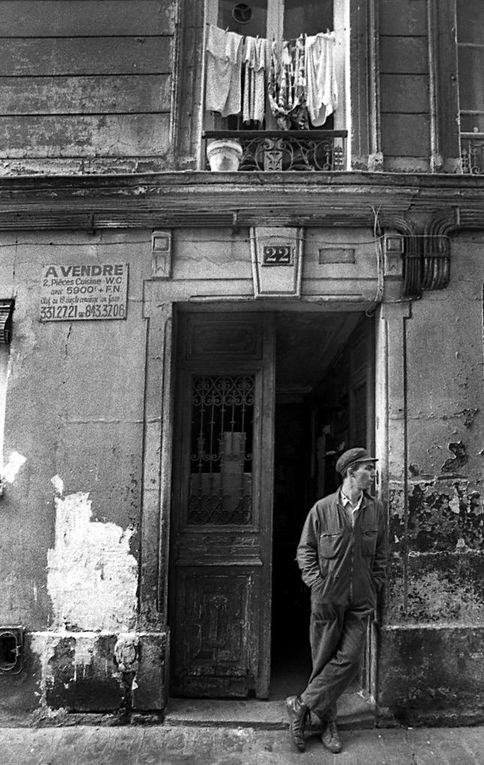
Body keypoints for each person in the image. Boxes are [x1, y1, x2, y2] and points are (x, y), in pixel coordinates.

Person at [286, 447, 387, 754]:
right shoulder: (322, 509)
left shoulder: (377, 509)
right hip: (327, 600)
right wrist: (318, 584)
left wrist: (375, 582)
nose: (372, 473)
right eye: (367, 469)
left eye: (372, 468)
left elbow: (381, 553)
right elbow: (305, 551)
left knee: (352, 658)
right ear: (350, 473)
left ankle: (301, 704)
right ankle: (328, 724)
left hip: (361, 598)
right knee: (323, 660)